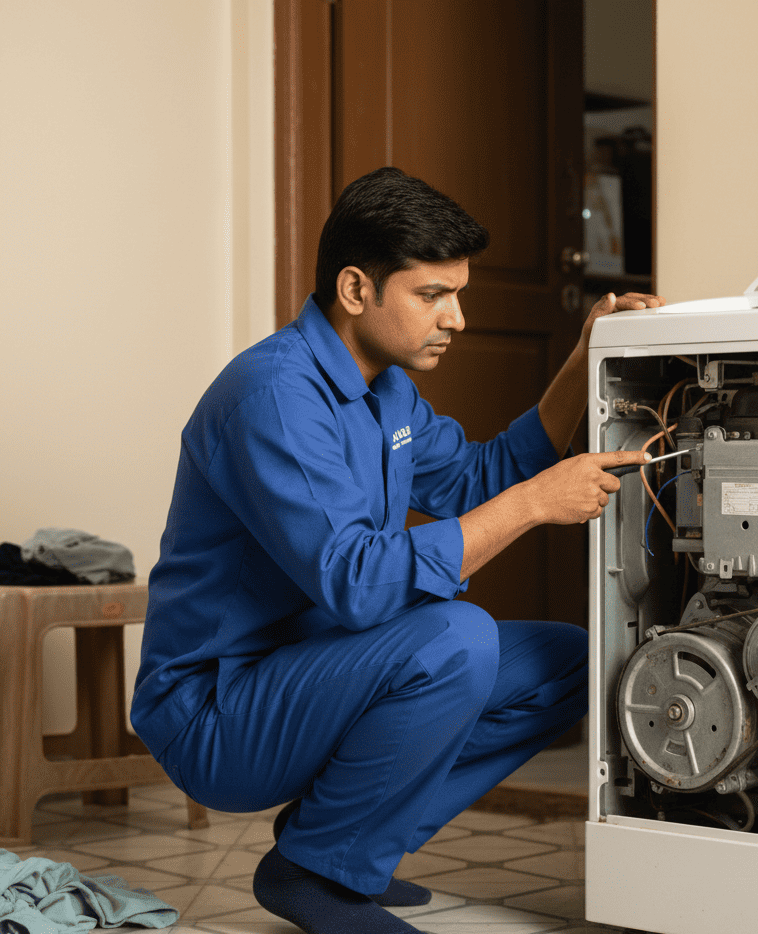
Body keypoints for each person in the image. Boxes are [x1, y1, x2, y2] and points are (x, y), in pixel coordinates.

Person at [130, 167, 662, 934]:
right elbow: (357, 585)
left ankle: (335, 850)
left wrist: (585, 360)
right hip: (216, 713)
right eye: (432, 295)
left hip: (314, 674)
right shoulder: (274, 397)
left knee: (571, 661)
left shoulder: (388, 391)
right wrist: (534, 506)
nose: (459, 318)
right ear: (355, 289)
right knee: (457, 636)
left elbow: (485, 473)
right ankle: (315, 878)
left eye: (459, 293)